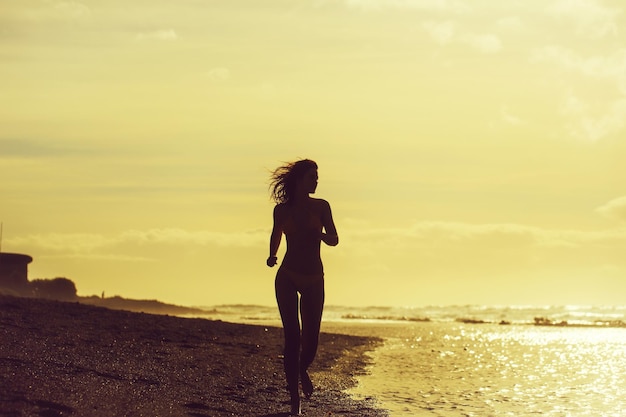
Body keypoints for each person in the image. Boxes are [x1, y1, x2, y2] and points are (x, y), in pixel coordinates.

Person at [267, 159, 338, 416]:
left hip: (314, 278)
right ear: (299, 180)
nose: (316, 181)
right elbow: (276, 234)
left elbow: (335, 238)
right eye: (312, 177)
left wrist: (318, 236)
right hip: (287, 275)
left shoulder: (322, 207)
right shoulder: (282, 211)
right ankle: (295, 401)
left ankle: (301, 369)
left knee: (310, 344)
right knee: (292, 338)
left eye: (316, 177)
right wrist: (272, 254)